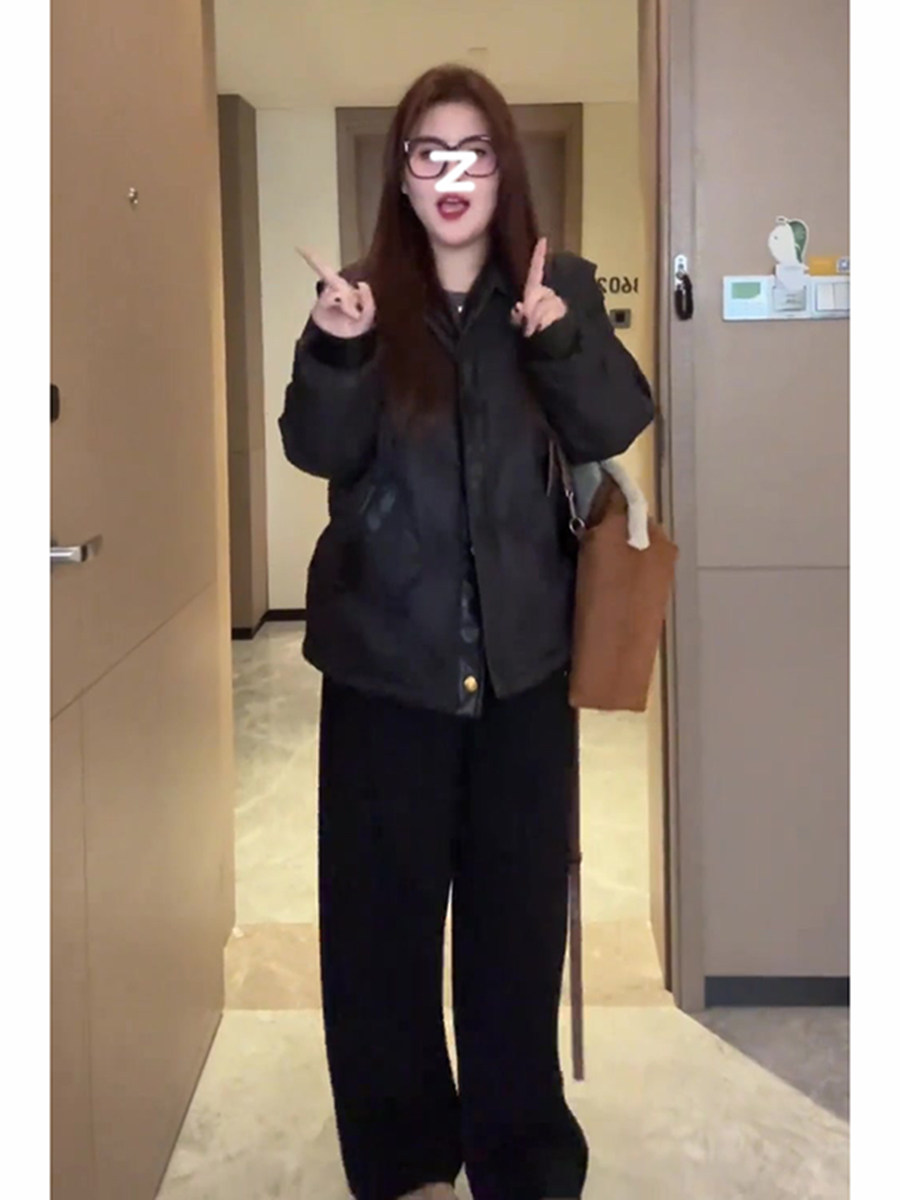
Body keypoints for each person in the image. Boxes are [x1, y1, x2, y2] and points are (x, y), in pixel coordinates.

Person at [280, 63, 654, 1200]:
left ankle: (521, 1161)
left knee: (514, 938)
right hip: (383, 669)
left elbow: (616, 418)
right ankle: (405, 1164)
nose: (451, 174)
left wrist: (556, 338)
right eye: (427, 153)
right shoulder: (358, 298)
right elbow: (317, 450)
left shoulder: (557, 285)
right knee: (380, 942)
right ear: (401, 177)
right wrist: (338, 350)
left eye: (473, 152)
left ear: (503, 171)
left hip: (523, 672)